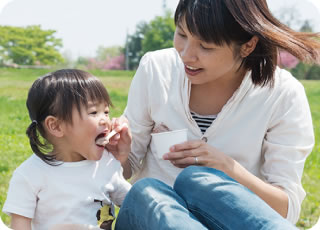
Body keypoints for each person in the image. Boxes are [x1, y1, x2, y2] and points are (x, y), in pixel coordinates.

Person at [111, 0, 320, 229]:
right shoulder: (157, 70)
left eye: (206, 47)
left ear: (248, 46)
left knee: (199, 182)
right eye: (181, 34)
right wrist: (119, 156)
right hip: (153, 218)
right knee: (148, 192)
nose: (187, 55)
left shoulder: (282, 95)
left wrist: (227, 167)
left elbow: (284, 210)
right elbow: (125, 168)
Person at [2, 69, 132, 230]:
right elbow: (20, 225)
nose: (105, 120)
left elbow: (133, 204)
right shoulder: (30, 174)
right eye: (94, 112)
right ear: (55, 126)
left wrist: (122, 159)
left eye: (106, 111)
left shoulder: (107, 165)